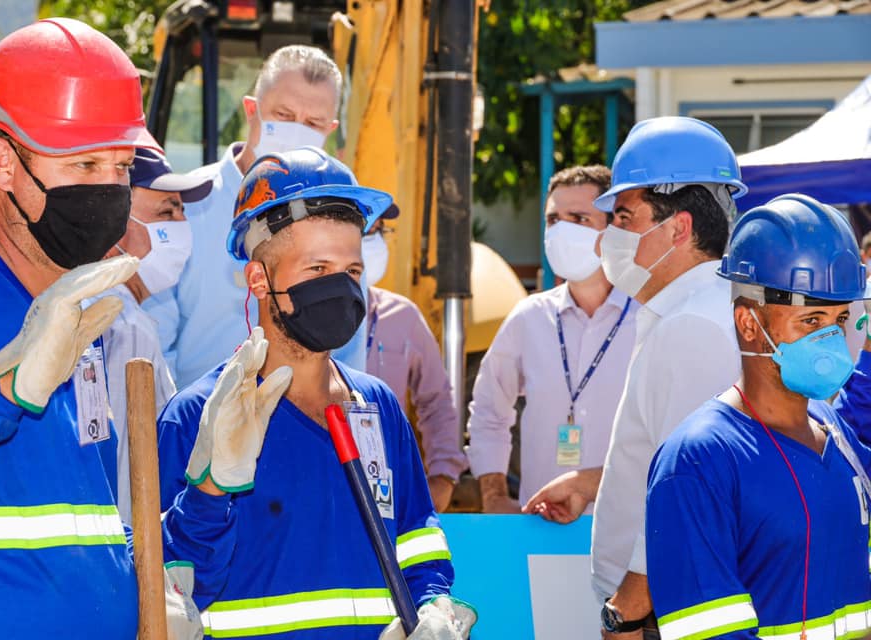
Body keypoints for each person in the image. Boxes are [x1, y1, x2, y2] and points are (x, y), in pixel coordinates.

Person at [0, 18, 234, 638]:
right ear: (4, 163)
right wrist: (0, 393)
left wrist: (208, 494)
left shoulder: (95, 305)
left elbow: (90, 517)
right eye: (84, 163)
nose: (108, 189)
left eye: (119, 167)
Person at [156, 147, 476, 639]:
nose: (341, 290)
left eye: (350, 272)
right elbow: (176, 583)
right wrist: (208, 493)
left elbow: (417, 541)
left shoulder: (378, 407)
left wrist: (434, 606)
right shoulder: (196, 416)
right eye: (317, 270)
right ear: (259, 279)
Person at [523, 117, 746, 636]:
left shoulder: (692, 326)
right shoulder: (696, 311)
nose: (608, 239)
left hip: (666, 611)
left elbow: (689, 491)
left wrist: (627, 607)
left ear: (680, 228)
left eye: (623, 216)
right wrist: (593, 483)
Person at [647, 194, 871, 639]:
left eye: (841, 318)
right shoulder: (697, 461)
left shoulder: (835, 432)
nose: (833, 338)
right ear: (749, 323)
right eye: (811, 321)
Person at [146, 44, 370, 388]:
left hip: (304, 423)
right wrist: (186, 426)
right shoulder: (187, 205)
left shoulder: (339, 216)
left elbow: (349, 345)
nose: (298, 130)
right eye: (283, 115)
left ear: (330, 128)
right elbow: (155, 343)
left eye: (313, 123)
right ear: (252, 110)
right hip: (201, 427)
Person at [466, 165, 637, 515]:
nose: (562, 231)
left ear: (613, 230)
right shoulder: (528, 318)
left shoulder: (649, 318)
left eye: (578, 218)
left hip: (630, 529)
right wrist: (494, 493)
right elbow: (488, 410)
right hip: (542, 530)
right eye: (553, 220)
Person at [99, 147, 213, 524]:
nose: (182, 225)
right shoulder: (121, 326)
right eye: (167, 212)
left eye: (182, 211)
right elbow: (122, 466)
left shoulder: (124, 316)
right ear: (114, 221)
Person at [362, 212, 468, 513]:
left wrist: (444, 476)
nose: (375, 241)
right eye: (365, 230)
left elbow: (436, 401)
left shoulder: (403, 317)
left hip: (390, 495)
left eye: (379, 231)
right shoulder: (303, 317)